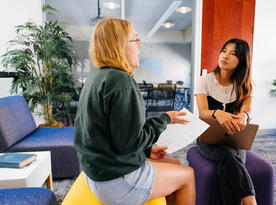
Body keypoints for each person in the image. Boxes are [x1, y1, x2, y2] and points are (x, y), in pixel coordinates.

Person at [74, 17, 195, 205]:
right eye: (135, 39)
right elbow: (129, 144)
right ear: (119, 45)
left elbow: (111, 134)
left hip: (97, 173)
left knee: (175, 164)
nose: (140, 45)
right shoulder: (121, 81)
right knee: (188, 175)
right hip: (116, 181)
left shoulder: (96, 76)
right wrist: (165, 118)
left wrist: (147, 148)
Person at [195, 38, 257, 205]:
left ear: (242, 60)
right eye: (224, 51)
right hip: (207, 138)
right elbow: (202, 113)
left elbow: (247, 110)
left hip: (234, 137)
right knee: (229, 156)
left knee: (228, 166)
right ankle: (250, 201)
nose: (225, 56)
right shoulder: (205, 80)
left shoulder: (246, 84)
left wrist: (244, 117)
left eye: (233, 54)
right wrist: (218, 114)